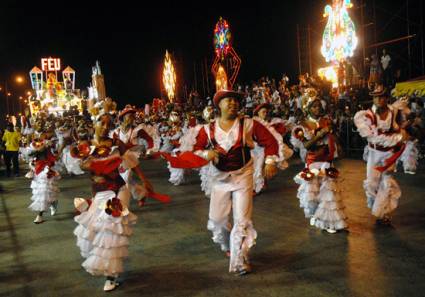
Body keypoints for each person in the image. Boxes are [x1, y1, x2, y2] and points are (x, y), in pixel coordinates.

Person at [188, 90, 279, 275]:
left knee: (242, 220)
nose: (233, 103)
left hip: (243, 176)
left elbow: (270, 142)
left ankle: (240, 258)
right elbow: (194, 150)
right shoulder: (207, 129)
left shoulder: (249, 124)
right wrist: (208, 153)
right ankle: (227, 245)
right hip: (219, 179)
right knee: (218, 220)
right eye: (228, 100)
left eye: (237, 100)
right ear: (218, 105)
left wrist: (269, 161)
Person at [73, 113, 154, 292]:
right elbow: (80, 166)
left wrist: (144, 180)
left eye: (108, 124)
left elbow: (132, 162)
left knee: (111, 226)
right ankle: (106, 268)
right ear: (93, 123)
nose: (104, 126)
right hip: (99, 194)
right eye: (101, 122)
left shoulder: (116, 144)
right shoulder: (85, 146)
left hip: (118, 189)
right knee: (92, 231)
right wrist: (85, 165)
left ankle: (111, 275)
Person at [291, 88, 347, 233]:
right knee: (313, 193)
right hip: (313, 161)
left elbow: (333, 136)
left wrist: (337, 146)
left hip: (327, 160)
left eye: (318, 106)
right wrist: (319, 134)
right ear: (307, 108)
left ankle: (329, 221)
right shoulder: (301, 125)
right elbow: (306, 145)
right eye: (314, 106)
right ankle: (316, 215)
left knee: (329, 192)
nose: (317, 109)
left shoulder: (326, 120)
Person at [354, 85, 408, 224]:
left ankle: (383, 213)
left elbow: (401, 127)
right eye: (375, 97)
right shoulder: (367, 115)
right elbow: (371, 137)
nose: (378, 100)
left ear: (386, 98)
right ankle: (376, 208)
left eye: (381, 97)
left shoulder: (394, 111)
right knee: (372, 183)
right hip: (374, 153)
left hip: (389, 154)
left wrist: (402, 133)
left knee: (386, 183)